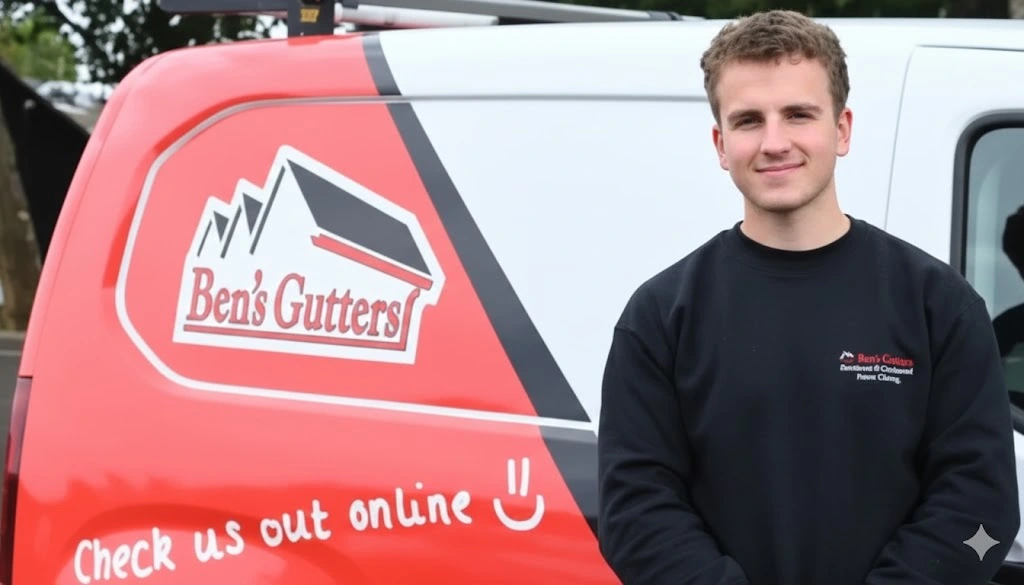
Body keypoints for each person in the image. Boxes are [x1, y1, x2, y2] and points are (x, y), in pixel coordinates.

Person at [596, 9, 1020, 585]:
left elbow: (981, 508)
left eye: (799, 114)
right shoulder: (662, 316)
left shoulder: (938, 306)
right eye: (749, 120)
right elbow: (635, 514)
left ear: (842, 129)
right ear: (721, 144)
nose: (774, 142)